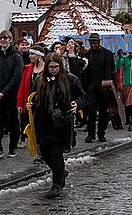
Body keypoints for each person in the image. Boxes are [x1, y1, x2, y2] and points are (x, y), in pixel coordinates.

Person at [29, 54, 88, 199]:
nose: (54, 70)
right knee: (44, 153)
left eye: (56, 67)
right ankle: (61, 171)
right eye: (51, 67)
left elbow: (83, 97)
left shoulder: (70, 79)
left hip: (61, 121)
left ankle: (56, 184)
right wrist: (30, 104)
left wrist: (77, 104)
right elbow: (33, 96)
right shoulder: (39, 80)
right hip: (43, 121)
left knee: (56, 153)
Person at [0, 29, 24, 159]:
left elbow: (17, 77)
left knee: (13, 122)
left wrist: (4, 92)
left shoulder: (16, 56)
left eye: (5, 38)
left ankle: (13, 146)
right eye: (1, 38)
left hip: (11, 95)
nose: (3, 41)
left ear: (10, 40)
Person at [81, 32, 117, 143]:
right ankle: (91, 134)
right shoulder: (86, 55)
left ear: (99, 42)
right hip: (91, 87)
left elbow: (113, 72)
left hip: (104, 87)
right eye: (91, 42)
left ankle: (101, 133)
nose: (93, 44)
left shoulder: (107, 54)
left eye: (95, 42)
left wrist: (114, 87)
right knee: (91, 110)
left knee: (103, 112)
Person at [17, 43, 46, 148]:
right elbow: (22, 86)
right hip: (29, 101)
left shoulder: (47, 68)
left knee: (41, 125)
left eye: (32, 54)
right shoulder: (28, 68)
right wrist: (20, 103)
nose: (30, 56)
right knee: (28, 123)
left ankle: (41, 148)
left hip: (43, 102)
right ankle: (30, 142)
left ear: (39, 56)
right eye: (29, 54)